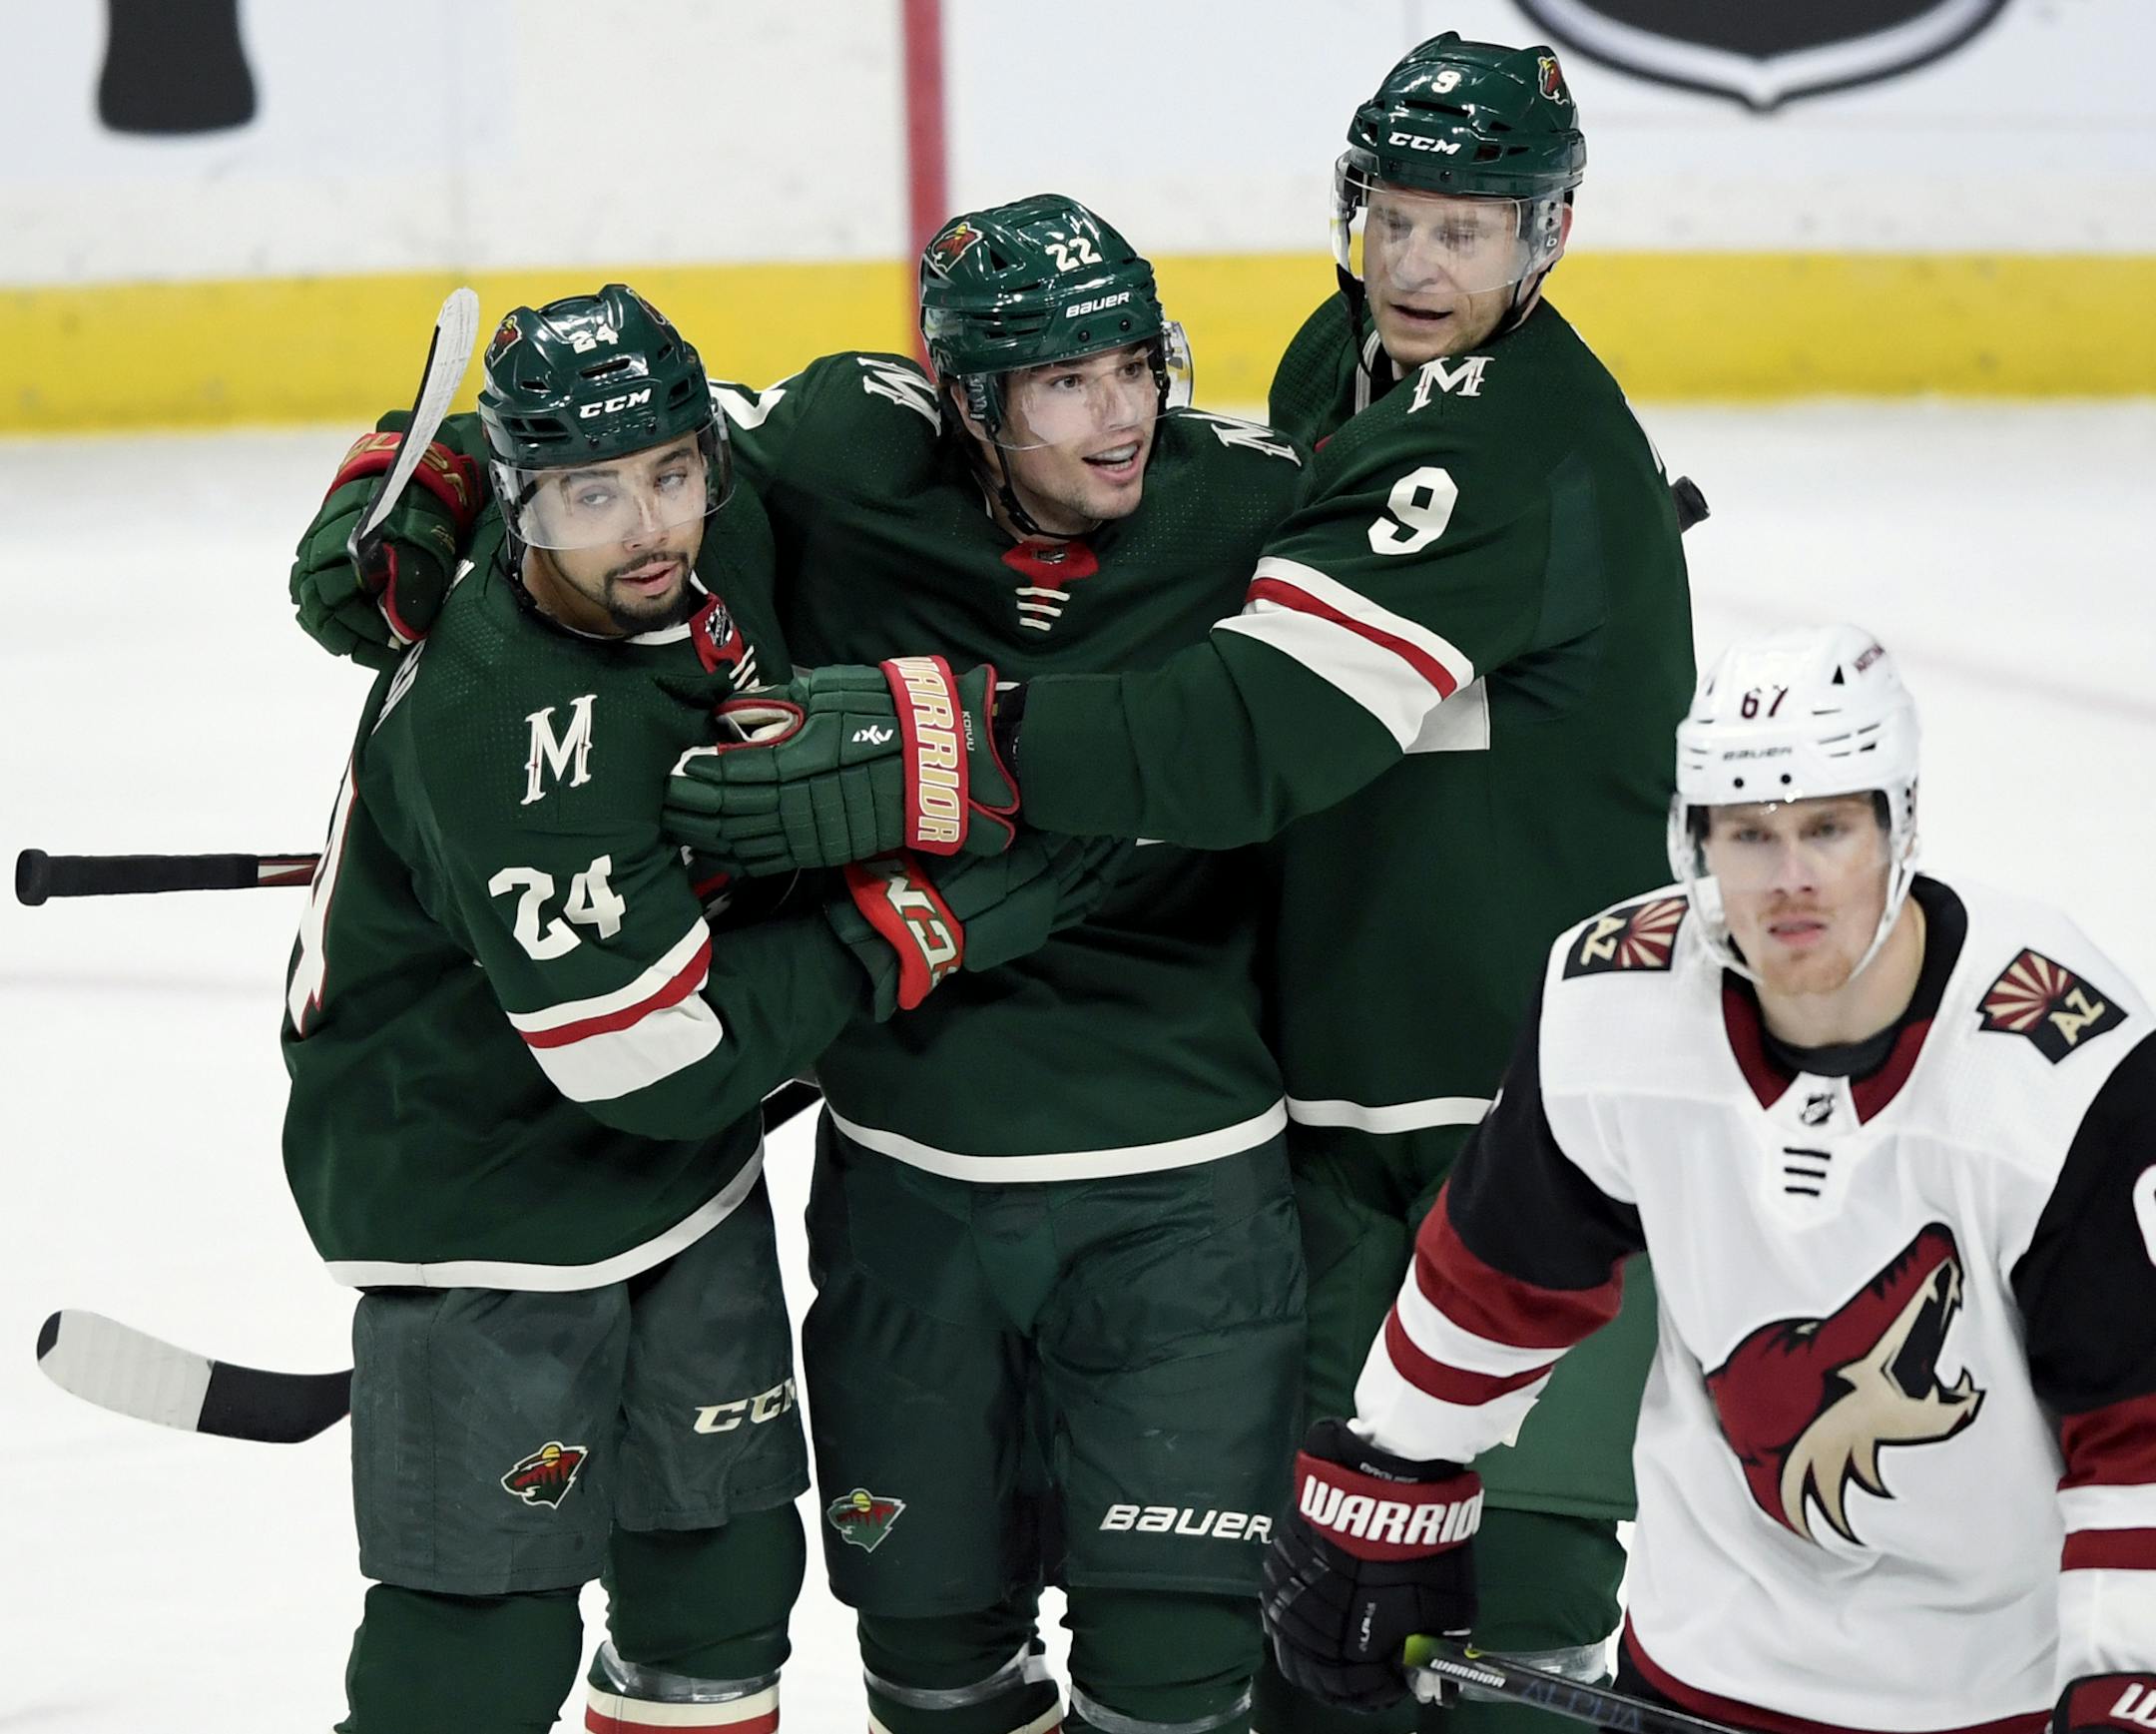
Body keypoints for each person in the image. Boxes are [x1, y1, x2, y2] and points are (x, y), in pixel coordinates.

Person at [660, 37, 1690, 1731]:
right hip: (1332, 1087)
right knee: (1320, 1615)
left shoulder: (1521, 446)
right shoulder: (1339, 360)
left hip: (1521, 1098)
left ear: (1548, 233)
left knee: (1514, 1602)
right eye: (1399, 221)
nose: (1424, 268)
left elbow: (1247, 735)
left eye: (1473, 231)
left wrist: (954, 741)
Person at [285, 201, 1316, 1733]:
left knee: (716, 1609)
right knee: (480, 1646)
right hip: (494, 1192)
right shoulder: (518, 718)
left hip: (689, 1196)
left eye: (671, 477)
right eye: (581, 498)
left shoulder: (727, 520)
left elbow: (614, 403)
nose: (646, 525)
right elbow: (655, 1058)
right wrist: (911, 923)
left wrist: (421, 463)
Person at [1263, 624, 2156, 1734]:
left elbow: (2137, 1427)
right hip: (1708, 1666)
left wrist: (2128, 1679)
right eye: (1748, 832)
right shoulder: (1617, 1001)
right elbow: (1500, 1274)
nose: (1790, 878)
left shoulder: (2058, 1067)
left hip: (1988, 1693)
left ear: (1900, 824)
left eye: (1828, 827)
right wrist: (1399, 1471)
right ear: (1695, 840)